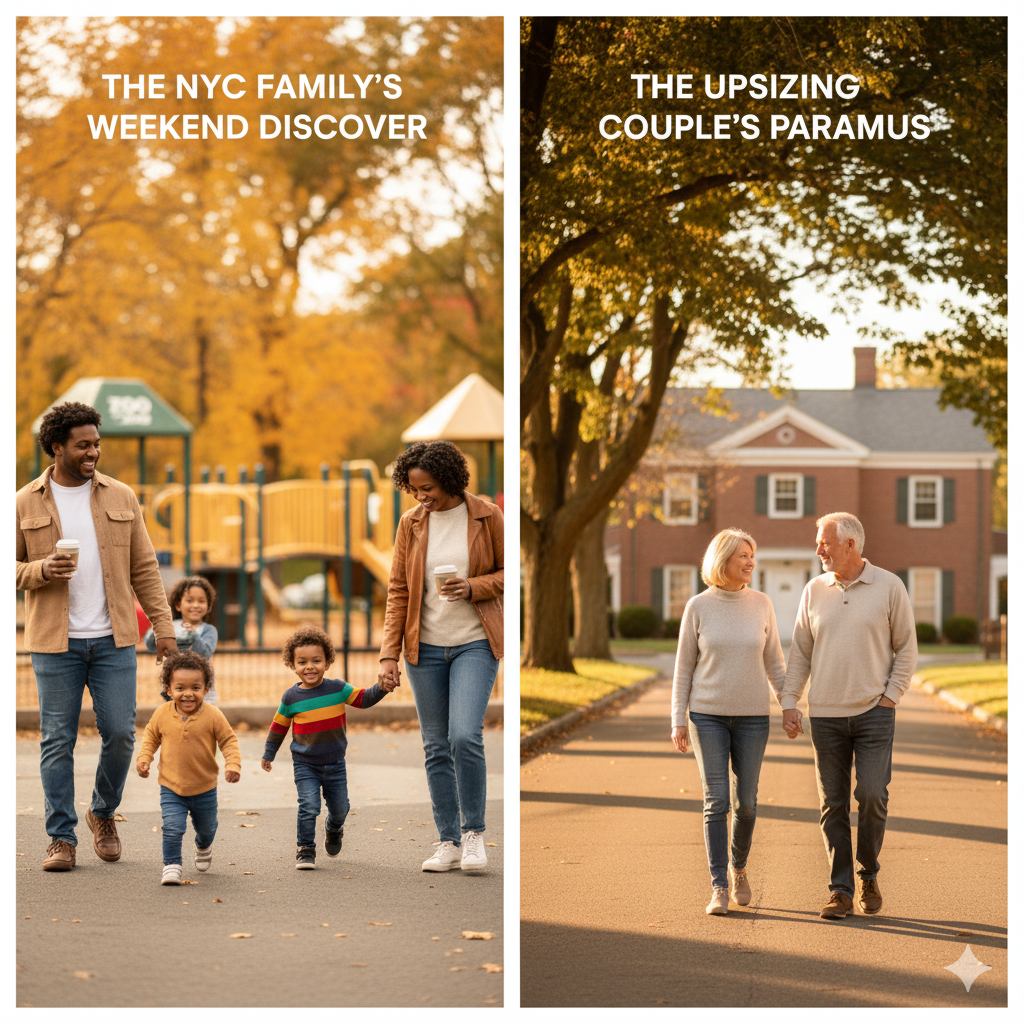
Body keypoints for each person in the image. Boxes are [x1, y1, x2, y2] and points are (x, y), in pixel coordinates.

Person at [16, 401, 176, 872]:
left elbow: (144, 567)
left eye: (97, 444)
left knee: (122, 735)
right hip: (55, 643)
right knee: (57, 740)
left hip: (113, 639)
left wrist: (163, 628)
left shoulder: (121, 496)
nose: (93, 452)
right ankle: (60, 839)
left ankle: (102, 813)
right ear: (56, 447)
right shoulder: (25, 502)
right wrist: (42, 570)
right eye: (83, 445)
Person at [780, 512, 918, 920]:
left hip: (875, 713)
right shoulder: (813, 591)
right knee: (833, 804)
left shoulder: (889, 587)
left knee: (873, 796)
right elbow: (800, 653)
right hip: (825, 716)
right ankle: (840, 890)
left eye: (824, 542)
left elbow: (907, 648)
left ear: (850, 545)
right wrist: (791, 701)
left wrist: (891, 697)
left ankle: (868, 874)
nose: (817, 549)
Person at [378, 440, 503, 874]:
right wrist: (387, 656)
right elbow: (398, 590)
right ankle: (447, 840)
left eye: (426, 488)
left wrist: (473, 587)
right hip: (423, 648)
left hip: (474, 642)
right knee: (435, 745)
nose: (420, 497)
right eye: (413, 490)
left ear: (448, 479)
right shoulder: (410, 523)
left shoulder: (487, 516)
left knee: (464, 736)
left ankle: (473, 835)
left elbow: (507, 574)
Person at [670, 528, 787, 915]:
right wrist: (678, 719)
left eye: (752, 555)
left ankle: (739, 868)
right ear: (723, 560)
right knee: (716, 800)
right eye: (743, 556)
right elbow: (684, 666)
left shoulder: (762, 604)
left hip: (754, 717)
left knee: (747, 803)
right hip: (707, 716)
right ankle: (718, 885)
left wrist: (789, 704)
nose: (750, 562)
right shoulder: (698, 607)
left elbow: (774, 661)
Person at [261, 625, 398, 870]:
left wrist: (382, 688)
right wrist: (268, 754)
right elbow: (278, 727)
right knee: (309, 805)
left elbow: (363, 698)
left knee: (340, 808)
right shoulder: (291, 698)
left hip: (335, 764)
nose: (309, 666)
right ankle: (305, 849)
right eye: (302, 662)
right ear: (293, 665)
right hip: (305, 764)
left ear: (327, 661)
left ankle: (334, 829)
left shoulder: (338, 689)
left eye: (316, 660)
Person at [136, 651, 241, 884]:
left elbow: (229, 740)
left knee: (207, 828)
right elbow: (150, 737)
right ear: (169, 689)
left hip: (204, 786)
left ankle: (203, 846)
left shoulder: (213, 715)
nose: (188, 693)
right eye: (180, 687)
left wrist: (233, 765)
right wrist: (144, 759)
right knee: (172, 827)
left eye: (195, 687)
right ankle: (172, 865)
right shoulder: (162, 714)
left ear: (206, 689)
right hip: (171, 786)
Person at [145, 575, 220, 702]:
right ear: (178, 605)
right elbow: (152, 645)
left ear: (209, 606)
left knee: (201, 718)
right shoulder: (171, 627)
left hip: (200, 686)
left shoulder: (209, 630)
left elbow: (205, 653)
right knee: (175, 717)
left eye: (201, 601)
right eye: (190, 601)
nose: (196, 605)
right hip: (175, 685)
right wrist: (157, 629)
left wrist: (193, 635)